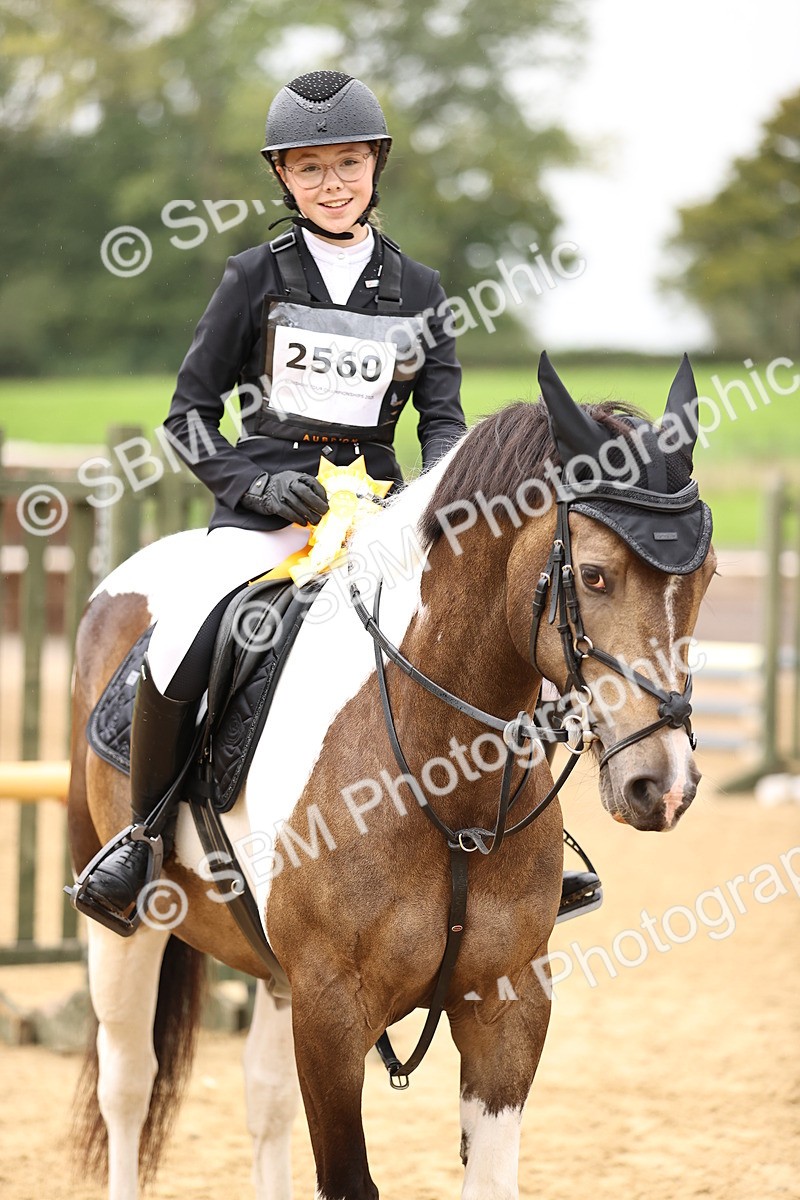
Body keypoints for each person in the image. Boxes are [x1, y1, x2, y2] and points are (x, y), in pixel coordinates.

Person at [77, 70, 599, 930]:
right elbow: (189, 416)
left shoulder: (422, 291)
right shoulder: (252, 276)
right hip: (264, 515)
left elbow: (443, 424)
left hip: (381, 518)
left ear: (375, 166)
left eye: (347, 164)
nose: (331, 184)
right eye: (310, 168)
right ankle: (141, 836)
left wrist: (432, 505)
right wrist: (253, 483)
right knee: (181, 643)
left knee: (491, 628)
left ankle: (542, 843)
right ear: (283, 176)